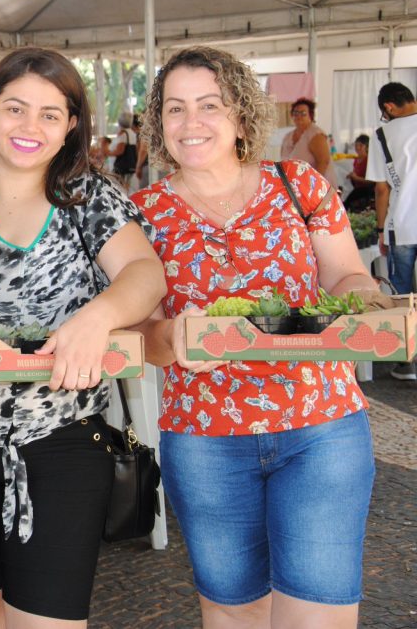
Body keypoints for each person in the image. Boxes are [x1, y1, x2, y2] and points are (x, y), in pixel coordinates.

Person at [0, 48, 165, 628]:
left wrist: (96, 318)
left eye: (50, 113)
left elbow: (145, 274)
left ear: (71, 125)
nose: (30, 126)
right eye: (15, 107)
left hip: (62, 439)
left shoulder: (88, 196)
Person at [131, 46, 377, 629]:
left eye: (209, 105)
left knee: (319, 614)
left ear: (241, 116)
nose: (191, 122)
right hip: (206, 437)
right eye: (175, 108)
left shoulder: (299, 185)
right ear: (159, 124)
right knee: (232, 611)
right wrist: (172, 337)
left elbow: (346, 275)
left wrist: (365, 304)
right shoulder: (141, 214)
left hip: (320, 423)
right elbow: (140, 333)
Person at [367, 81, 417, 381]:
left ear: (388, 107)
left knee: (403, 294)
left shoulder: (382, 135)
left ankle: (406, 361)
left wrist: (380, 227)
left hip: (403, 224)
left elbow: (382, 189)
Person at [280, 96, 333, 185]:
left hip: (316, 185)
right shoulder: (287, 136)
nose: (299, 116)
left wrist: (313, 185)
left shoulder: (316, 134)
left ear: (310, 116)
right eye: (296, 113)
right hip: (294, 185)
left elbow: (324, 162)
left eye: (303, 113)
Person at [343, 134, 374, 212]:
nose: (357, 147)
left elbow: (371, 182)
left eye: (361, 145)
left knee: (347, 204)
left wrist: (356, 178)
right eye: (356, 145)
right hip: (357, 189)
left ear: (367, 147)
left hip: (366, 191)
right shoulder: (356, 160)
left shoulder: (369, 160)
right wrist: (351, 176)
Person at [110, 111, 138, 188]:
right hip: (130, 165)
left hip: (122, 167)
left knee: (120, 187)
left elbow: (120, 151)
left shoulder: (123, 134)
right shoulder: (133, 133)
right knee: (126, 186)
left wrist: (107, 152)